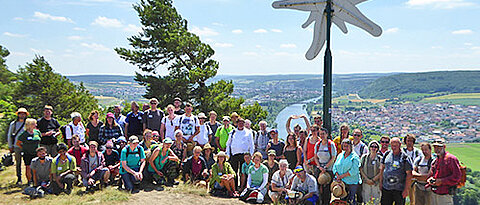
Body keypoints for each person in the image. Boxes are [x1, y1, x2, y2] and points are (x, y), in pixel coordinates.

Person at [379, 137, 413, 205]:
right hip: (386, 188)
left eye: (395, 145)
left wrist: (406, 190)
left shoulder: (404, 157)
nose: (394, 147)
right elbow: (382, 169)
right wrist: (380, 183)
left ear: (400, 145)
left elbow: (409, 174)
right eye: (392, 145)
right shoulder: (387, 154)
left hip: (399, 189)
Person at [427, 138, 462, 205]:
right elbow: (432, 173)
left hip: (445, 194)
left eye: (439, 147)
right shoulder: (436, 160)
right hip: (435, 192)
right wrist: (431, 179)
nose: (437, 149)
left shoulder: (451, 159)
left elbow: (457, 177)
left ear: (444, 147)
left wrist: (441, 181)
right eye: (435, 147)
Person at [333, 139, 362, 205]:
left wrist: (341, 176)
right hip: (341, 182)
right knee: (342, 200)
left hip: (352, 182)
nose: (345, 148)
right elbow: (334, 167)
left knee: (351, 200)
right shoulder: (340, 155)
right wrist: (337, 175)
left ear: (350, 146)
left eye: (347, 146)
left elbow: (354, 171)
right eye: (344, 146)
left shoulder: (354, 157)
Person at [314, 127, 337, 205]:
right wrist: (319, 166)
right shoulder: (317, 145)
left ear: (327, 134)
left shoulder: (331, 144)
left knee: (326, 189)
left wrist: (326, 167)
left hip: (328, 169)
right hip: (319, 169)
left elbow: (333, 157)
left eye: (323, 134)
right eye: (320, 134)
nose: (322, 135)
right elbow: (315, 157)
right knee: (318, 188)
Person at [16, 118, 41, 185]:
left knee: (37, 167)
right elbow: (18, 143)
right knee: (28, 167)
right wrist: (24, 148)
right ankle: (29, 181)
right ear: (29, 125)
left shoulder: (37, 132)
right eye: (33, 124)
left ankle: (36, 180)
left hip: (36, 153)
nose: (35, 125)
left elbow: (39, 140)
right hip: (28, 153)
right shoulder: (24, 134)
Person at [8, 108, 28, 185]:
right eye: (20, 113)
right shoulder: (14, 124)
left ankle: (30, 178)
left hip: (27, 145)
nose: (22, 115)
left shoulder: (28, 123)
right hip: (16, 146)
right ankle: (19, 178)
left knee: (28, 163)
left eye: (23, 113)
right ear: (18, 114)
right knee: (18, 162)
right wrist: (10, 146)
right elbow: (9, 135)